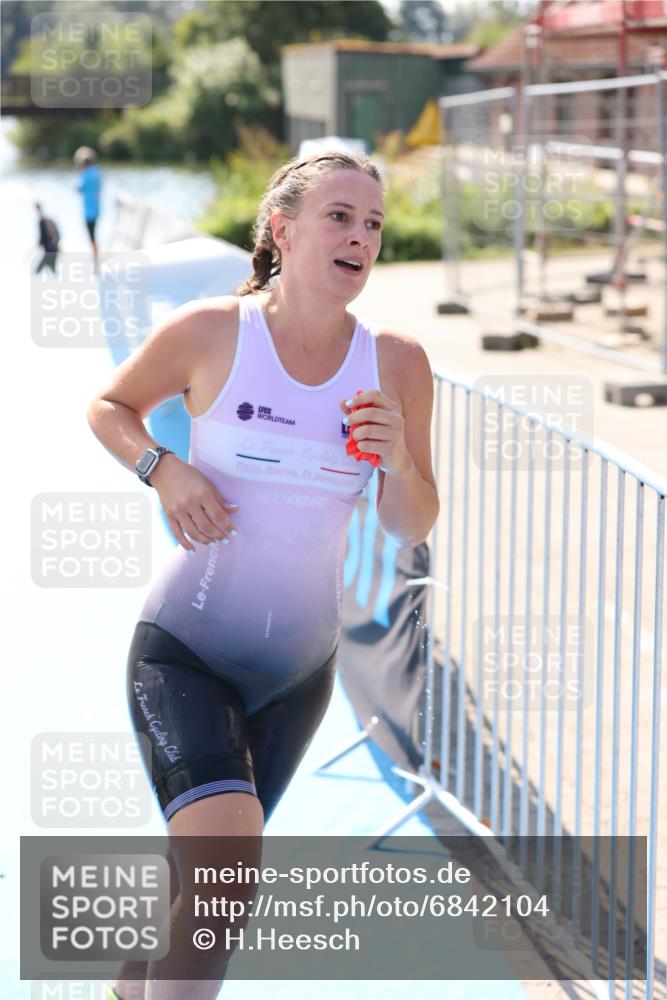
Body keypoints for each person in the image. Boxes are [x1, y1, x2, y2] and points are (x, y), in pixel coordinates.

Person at [87, 151, 439, 1000]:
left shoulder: (396, 362)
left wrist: (396, 460)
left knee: (199, 901)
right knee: (222, 890)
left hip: (297, 676)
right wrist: (162, 470)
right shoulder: (214, 331)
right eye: (340, 217)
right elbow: (109, 408)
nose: (362, 237)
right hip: (187, 653)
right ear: (282, 230)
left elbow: (410, 523)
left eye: (374, 224)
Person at [74, 145, 102, 270]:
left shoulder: (85, 174)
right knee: (94, 234)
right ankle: (96, 258)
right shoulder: (97, 172)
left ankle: (95, 261)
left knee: (92, 237)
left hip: (88, 211)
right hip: (97, 209)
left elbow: (80, 189)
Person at [34, 202, 60, 275]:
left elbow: (49, 234)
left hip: (51, 245)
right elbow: (43, 236)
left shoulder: (44, 221)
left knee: (47, 260)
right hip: (50, 245)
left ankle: (37, 273)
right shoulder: (42, 221)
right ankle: (38, 273)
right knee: (49, 260)